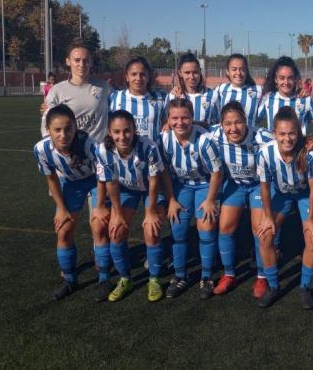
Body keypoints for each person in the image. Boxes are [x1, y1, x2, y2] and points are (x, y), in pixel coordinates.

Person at [33, 104, 109, 301]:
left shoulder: (90, 145)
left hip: (94, 181)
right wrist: (61, 208)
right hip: (70, 183)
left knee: (99, 226)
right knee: (64, 229)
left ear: (75, 127)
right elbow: (52, 179)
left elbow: (102, 177)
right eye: (57, 130)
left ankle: (104, 279)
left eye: (68, 128)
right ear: (48, 130)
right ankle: (69, 280)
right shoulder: (42, 149)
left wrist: (100, 206)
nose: (63, 134)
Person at [94, 110, 166, 302]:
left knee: (152, 229)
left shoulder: (148, 147)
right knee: (116, 231)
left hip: (151, 189)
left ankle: (154, 279)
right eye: (116, 132)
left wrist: (150, 211)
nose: (122, 136)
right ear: (109, 131)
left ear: (134, 129)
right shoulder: (103, 150)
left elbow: (154, 180)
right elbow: (111, 183)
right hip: (126, 190)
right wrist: (116, 213)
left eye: (127, 131)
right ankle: (125, 278)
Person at [255, 106, 313, 309]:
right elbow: (265, 188)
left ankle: (304, 287)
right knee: (265, 235)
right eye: (282, 133)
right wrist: (267, 216)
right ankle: (273, 286)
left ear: (299, 133)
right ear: (274, 134)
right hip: (280, 193)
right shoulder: (265, 153)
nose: (287, 138)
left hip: (304, 195)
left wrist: (310, 220)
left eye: (292, 133)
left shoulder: (310, 154)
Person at [158, 98, 223, 299]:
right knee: (177, 228)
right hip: (181, 185)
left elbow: (217, 173)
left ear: (192, 118)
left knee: (206, 227)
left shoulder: (204, 140)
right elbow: (165, 173)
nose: (180, 122)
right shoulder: (164, 139)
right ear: (168, 119)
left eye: (185, 117)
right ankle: (180, 275)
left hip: (205, 184)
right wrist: (171, 199)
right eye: (174, 118)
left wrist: (211, 199)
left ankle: (206, 275)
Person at [211, 101, 275, 299]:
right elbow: (194, 132)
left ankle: (262, 276)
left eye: (238, 122)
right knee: (226, 227)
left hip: (258, 185)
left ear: (246, 122)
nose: (233, 128)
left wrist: (307, 141)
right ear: (221, 125)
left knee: (259, 229)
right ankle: (229, 274)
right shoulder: (214, 135)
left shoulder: (261, 136)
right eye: (228, 123)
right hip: (235, 184)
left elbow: (285, 139)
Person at [41, 39, 110, 142]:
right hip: (72, 153)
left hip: (98, 153)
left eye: (86, 60)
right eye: (77, 60)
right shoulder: (57, 91)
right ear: (68, 61)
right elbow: (46, 124)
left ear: (91, 62)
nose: (82, 64)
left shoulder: (104, 87)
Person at [258, 56, 313, 134]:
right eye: (282, 78)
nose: (286, 82)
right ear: (276, 79)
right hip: (274, 145)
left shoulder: (305, 99)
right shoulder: (268, 98)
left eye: (290, 78)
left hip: (299, 146)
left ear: (295, 79)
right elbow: (253, 120)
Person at [109, 57, 166, 140]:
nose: (138, 78)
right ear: (127, 77)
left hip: (152, 152)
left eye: (142, 74)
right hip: (122, 152)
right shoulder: (114, 97)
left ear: (149, 77)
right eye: (134, 74)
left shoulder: (160, 98)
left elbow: (168, 123)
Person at [167, 53, 219, 128]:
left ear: (200, 71)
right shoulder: (173, 96)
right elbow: (166, 124)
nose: (192, 77)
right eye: (187, 73)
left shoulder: (212, 95)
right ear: (180, 73)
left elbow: (218, 123)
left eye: (195, 72)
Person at [215, 54, 261, 127]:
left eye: (242, 69)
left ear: (247, 71)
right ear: (227, 71)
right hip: (226, 137)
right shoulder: (221, 89)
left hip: (250, 137)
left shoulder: (258, 90)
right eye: (234, 69)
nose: (238, 73)